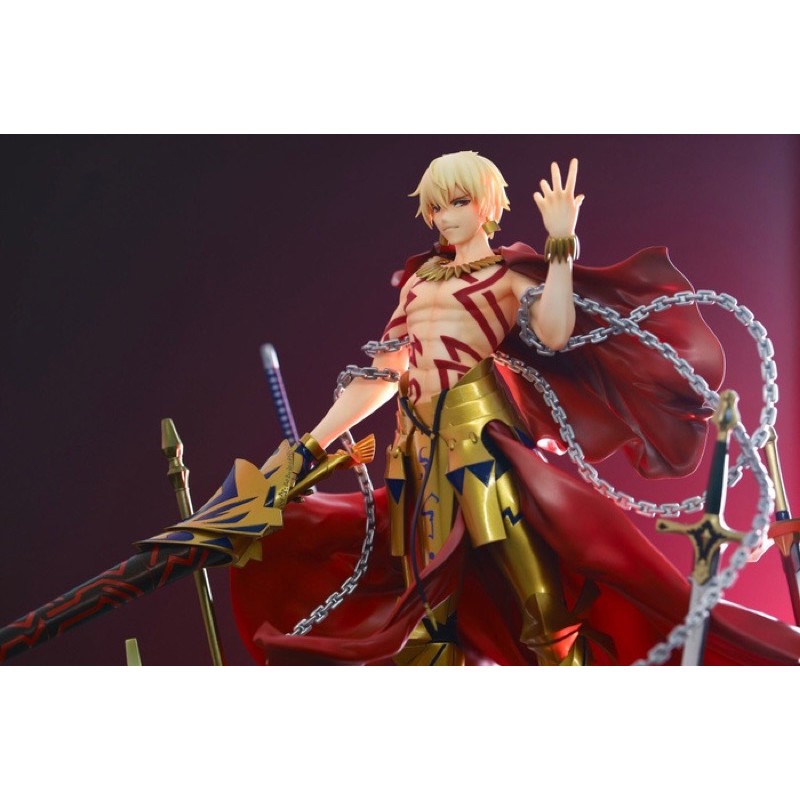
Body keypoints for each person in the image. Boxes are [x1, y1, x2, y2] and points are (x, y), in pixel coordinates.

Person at [230, 151, 800, 666]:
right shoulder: (419, 282)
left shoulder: (504, 276)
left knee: (544, 614)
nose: (445, 217)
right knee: (426, 624)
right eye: (436, 206)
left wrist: (561, 245)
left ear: (485, 205)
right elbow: (385, 373)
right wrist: (310, 446)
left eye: (458, 202)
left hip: (483, 452)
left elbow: (554, 332)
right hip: (416, 457)